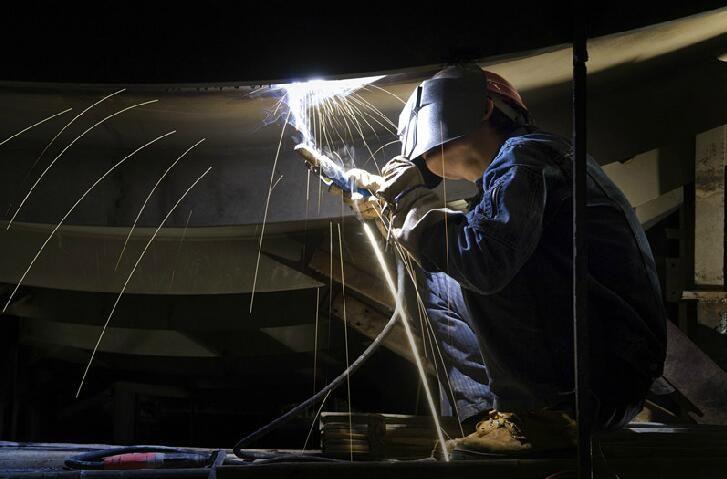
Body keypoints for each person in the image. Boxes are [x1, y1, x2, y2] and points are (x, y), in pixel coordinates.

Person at [342, 64, 667, 456]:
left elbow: (482, 260)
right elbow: (460, 248)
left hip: (594, 383)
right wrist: (394, 211)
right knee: (432, 274)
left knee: (465, 257)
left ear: (484, 109)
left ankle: (538, 416)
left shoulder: (526, 156)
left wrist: (409, 202)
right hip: (601, 374)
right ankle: (498, 418)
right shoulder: (518, 169)